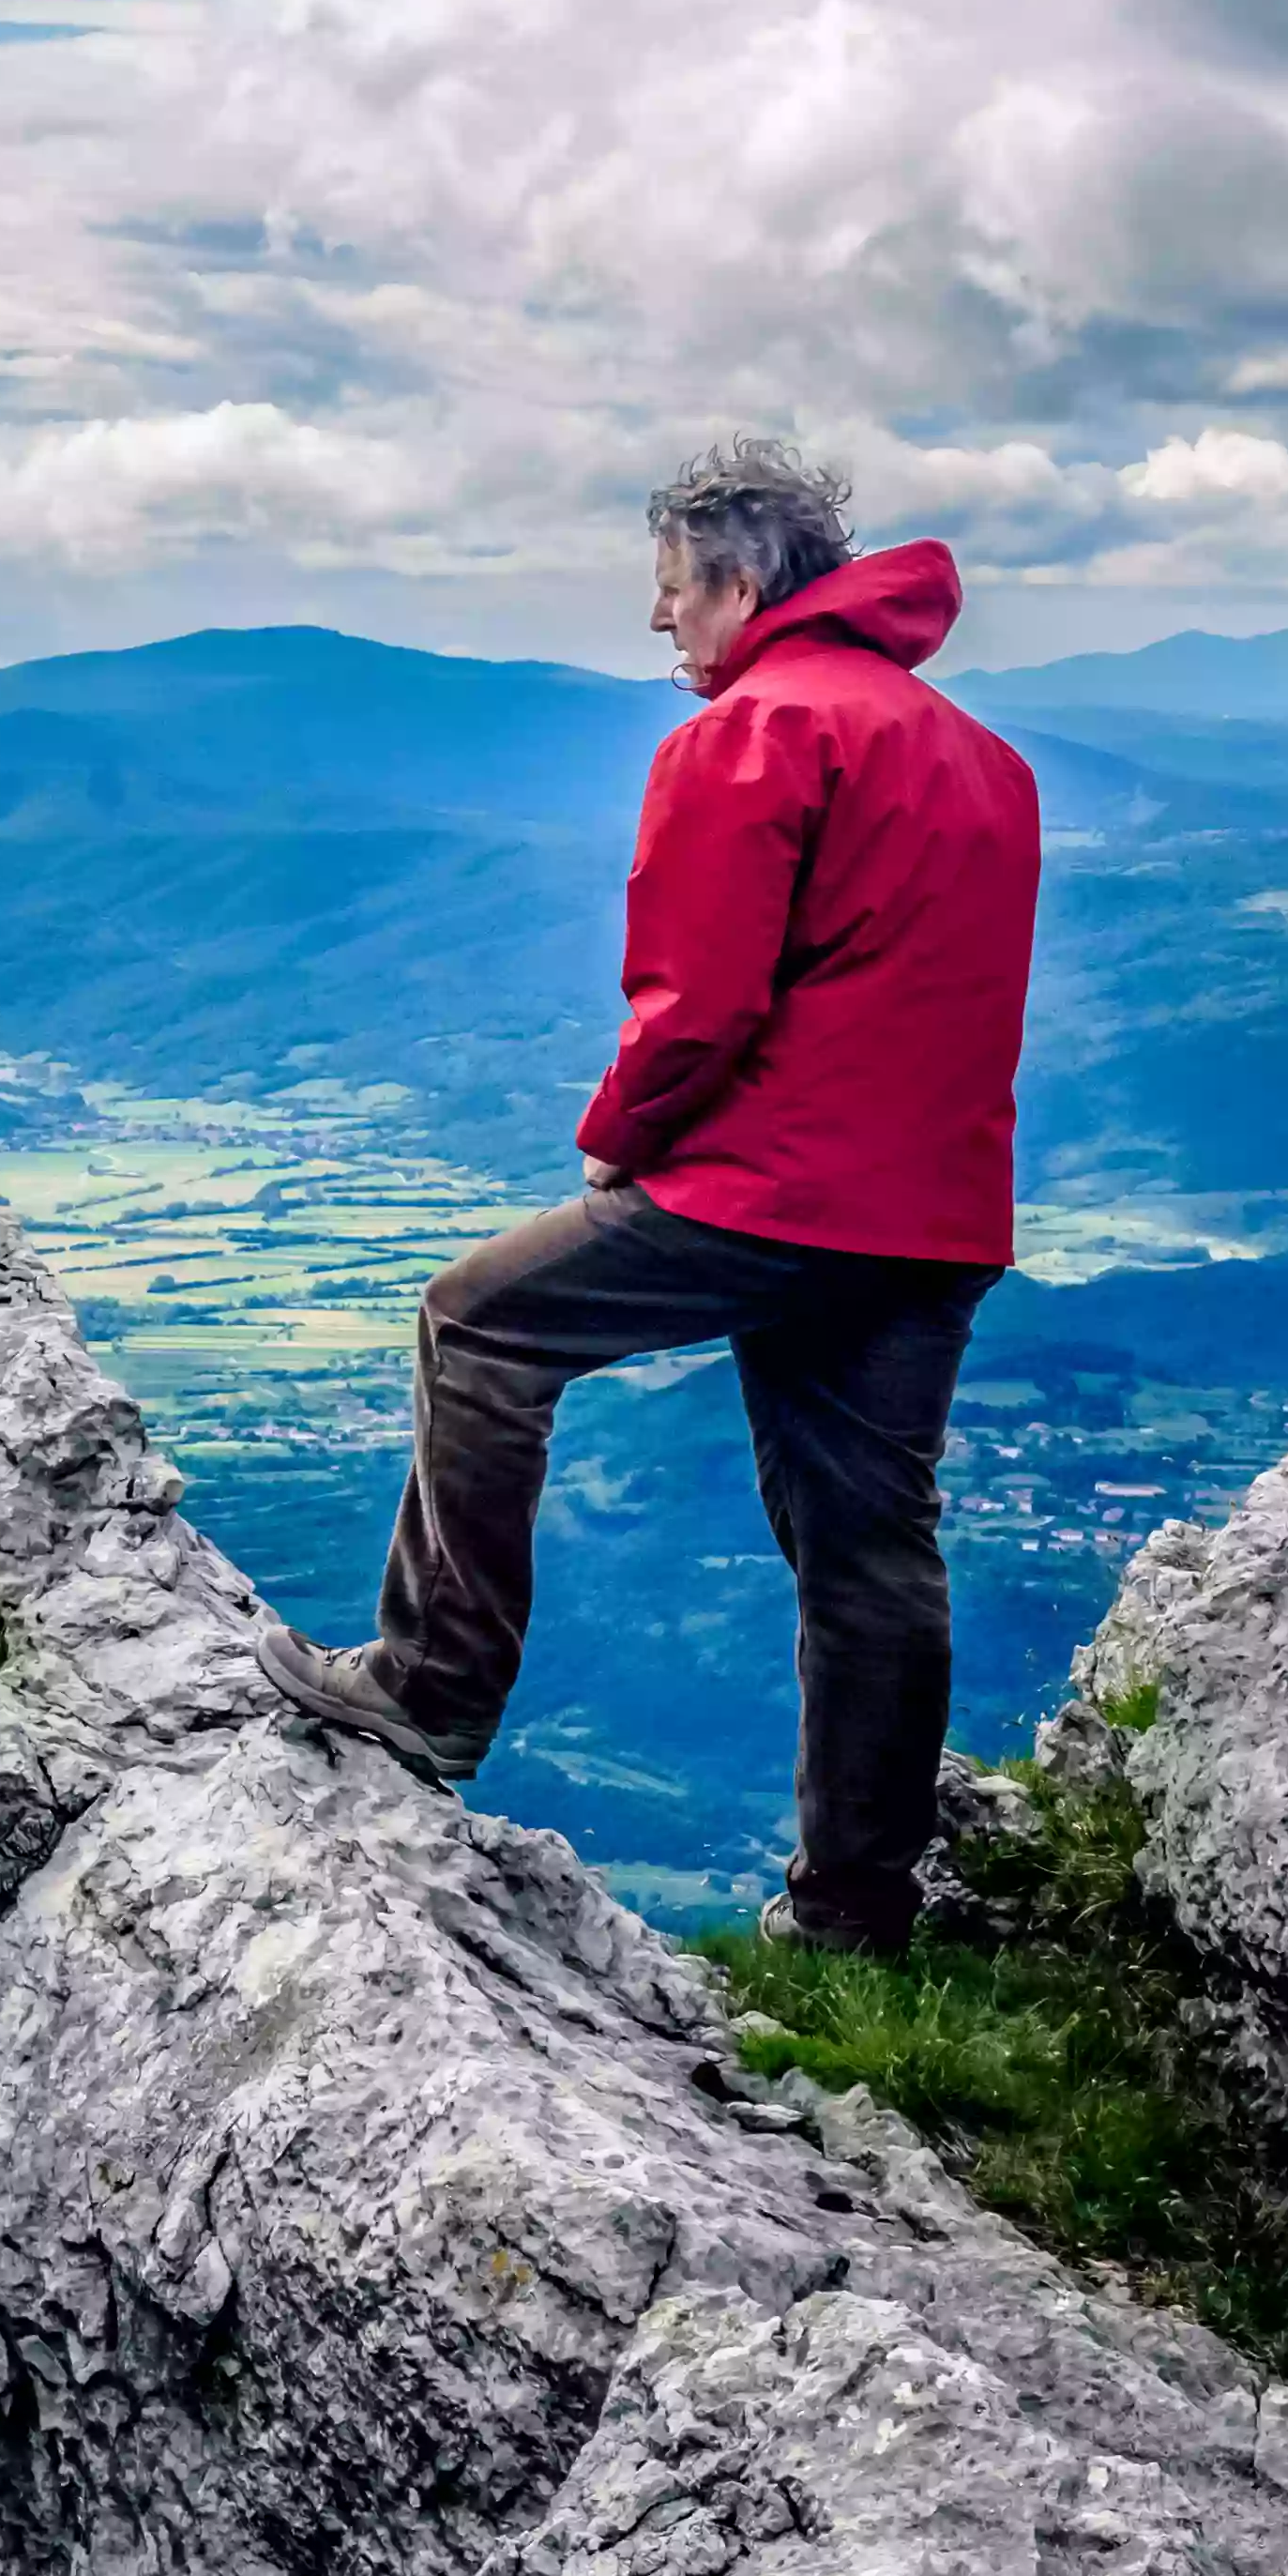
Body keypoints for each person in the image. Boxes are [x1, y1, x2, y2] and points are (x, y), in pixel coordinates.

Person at [261, 433, 1039, 1952]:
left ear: (744, 586)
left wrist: (625, 1136)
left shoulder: (750, 735)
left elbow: (699, 1000)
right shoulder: (979, 758)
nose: (660, 623)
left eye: (674, 594)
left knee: (479, 1325)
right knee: (870, 1548)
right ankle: (857, 1916)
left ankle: (429, 1692)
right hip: (934, 1219)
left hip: (773, 1193)